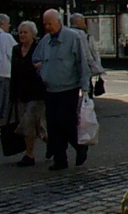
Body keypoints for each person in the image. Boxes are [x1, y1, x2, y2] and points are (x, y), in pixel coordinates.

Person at [32, 9, 90, 170]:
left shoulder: (73, 38)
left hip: (68, 88)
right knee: (53, 125)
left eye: (50, 23)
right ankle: (60, 159)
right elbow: (35, 58)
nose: (47, 27)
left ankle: (80, 147)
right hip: (50, 89)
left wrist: (85, 87)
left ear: (59, 22)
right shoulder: (45, 41)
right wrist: (40, 69)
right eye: (45, 24)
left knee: (66, 123)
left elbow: (81, 63)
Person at [10, 20, 48, 167]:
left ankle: (29, 155)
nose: (22, 35)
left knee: (28, 123)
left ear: (33, 34)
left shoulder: (38, 49)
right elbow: (14, 72)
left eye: (25, 32)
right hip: (21, 93)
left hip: (36, 93)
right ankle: (52, 145)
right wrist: (12, 95)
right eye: (20, 32)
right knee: (38, 127)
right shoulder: (16, 49)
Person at [70, 13, 105, 87]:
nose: (85, 24)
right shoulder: (84, 35)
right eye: (83, 22)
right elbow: (90, 53)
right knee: (87, 88)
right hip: (84, 67)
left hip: (70, 70)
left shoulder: (66, 35)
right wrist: (97, 66)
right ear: (78, 22)